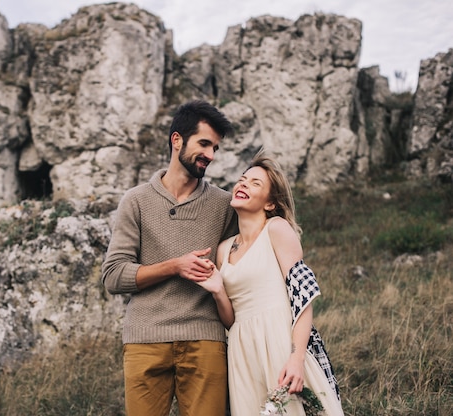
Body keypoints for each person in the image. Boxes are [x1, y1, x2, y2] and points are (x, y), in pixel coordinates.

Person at [101, 100, 238, 416]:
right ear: (177, 140)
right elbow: (113, 276)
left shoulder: (223, 205)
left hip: (206, 338)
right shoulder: (135, 201)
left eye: (215, 147)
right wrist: (176, 265)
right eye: (204, 143)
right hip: (145, 339)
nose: (211, 155)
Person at [197, 149, 344, 415]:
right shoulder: (223, 249)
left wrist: (296, 359)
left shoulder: (276, 229)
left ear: (270, 203)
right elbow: (231, 320)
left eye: (255, 183)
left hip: (277, 339)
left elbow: (303, 296)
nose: (243, 184)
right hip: (241, 350)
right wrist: (218, 290)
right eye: (242, 179)